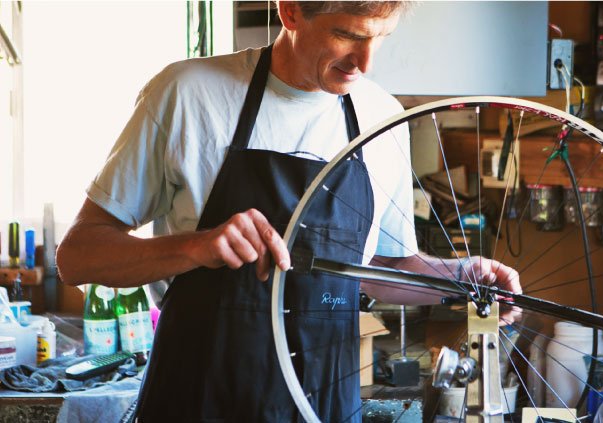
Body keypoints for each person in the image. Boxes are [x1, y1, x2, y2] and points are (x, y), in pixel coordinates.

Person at [57, 1, 521, 421]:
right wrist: (197, 246)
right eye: (348, 35)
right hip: (199, 396)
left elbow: (370, 270)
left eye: (379, 38)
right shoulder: (187, 94)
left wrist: (460, 277)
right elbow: (78, 255)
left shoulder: (382, 117)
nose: (365, 62)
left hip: (321, 404)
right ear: (291, 11)